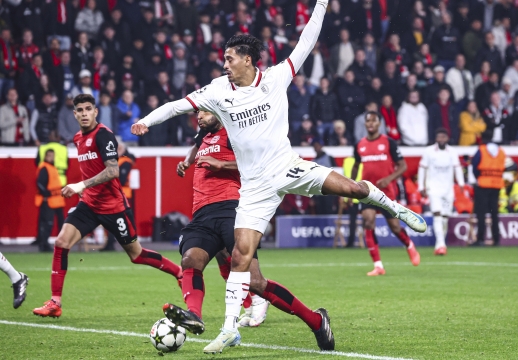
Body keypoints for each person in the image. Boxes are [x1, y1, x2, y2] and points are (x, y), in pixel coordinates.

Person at [131, 1, 426, 353]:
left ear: (248, 60)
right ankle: (229, 329)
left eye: (229, 59)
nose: (224, 64)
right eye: (224, 59)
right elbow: (178, 105)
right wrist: (147, 121)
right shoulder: (217, 91)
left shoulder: (275, 77)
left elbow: (307, 40)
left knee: (348, 187)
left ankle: (394, 208)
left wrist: (320, 5)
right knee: (240, 257)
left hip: (287, 167)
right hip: (254, 187)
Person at [33, 94, 183, 318]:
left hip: (114, 208)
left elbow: (113, 171)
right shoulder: (77, 138)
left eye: (88, 109)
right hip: (89, 205)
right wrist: (84, 190)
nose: (84, 113)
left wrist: (80, 184)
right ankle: (55, 302)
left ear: (95, 112)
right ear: (74, 114)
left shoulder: (104, 135)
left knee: (136, 255)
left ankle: (179, 272)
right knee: (61, 242)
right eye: (80, 110)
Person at [163, 109, 273, 333]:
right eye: (197, 113)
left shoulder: (234, 133)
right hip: (204, 208)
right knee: (221, 258)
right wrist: (186, 162)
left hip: (230, 205)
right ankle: (249, 303)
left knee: (241, 264)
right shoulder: (203, 133)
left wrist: (222, 164)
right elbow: (195, 148)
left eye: (203, 112)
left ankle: (259, 298)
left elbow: (255, 164)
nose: (199, 117)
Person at [352, 111, 421, 276]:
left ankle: (409, 245)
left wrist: (389, 179)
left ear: (379, 124)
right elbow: (356, 166)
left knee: (395, 227)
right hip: (367, 191)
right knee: (368, 222)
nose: (370, 124)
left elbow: (403, 166)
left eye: (373, 121)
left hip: (387, 192)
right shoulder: (360, 144)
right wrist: (351, 187)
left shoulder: (389, 142)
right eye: (367, 121)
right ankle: (378, 265)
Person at [418, 128, 464, 255]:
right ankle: (441, 245)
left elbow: (457, 167)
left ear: (447, 139)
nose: (441, 139)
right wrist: (421, 186)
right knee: (437, 214)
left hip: (448, 189)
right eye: (439, 137)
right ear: (436, 138)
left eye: (444, 137)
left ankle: (440, 244)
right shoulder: (428, 151)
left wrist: (460, 183)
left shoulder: (452, 152)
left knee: (444, 217)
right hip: (433, 188)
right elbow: (422, 169)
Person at [471, 132, 505, 246]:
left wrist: (478, 177)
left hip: (482, 184)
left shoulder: (481, 150)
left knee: (481, 213)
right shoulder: (501, 152)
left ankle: (480, 238)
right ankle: (496, 239)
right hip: (496, 184)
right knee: (494, 213)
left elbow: (474, 166)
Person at [35, 149, 65, 252]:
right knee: (47, 223)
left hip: (57, 200)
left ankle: (59, 243)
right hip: (49, 200)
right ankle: (43, 244)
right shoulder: (44, 167)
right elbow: (39, 183)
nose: (51, 158)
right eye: (50, 156)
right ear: (46, 156)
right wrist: (46, 194)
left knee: (59, 222)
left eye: (53, 156)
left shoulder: (52, 167)